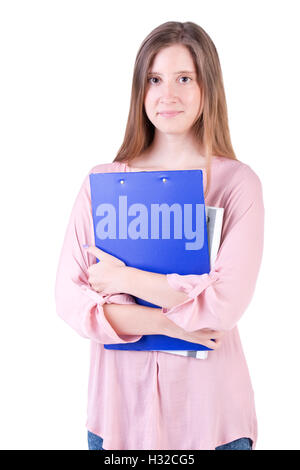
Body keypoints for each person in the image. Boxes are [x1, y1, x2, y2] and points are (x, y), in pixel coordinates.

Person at [54, 21, 264, 451]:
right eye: (154, 79)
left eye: (184, 78)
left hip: (211, 422)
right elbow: (72, 300)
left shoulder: (237, 184)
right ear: (140, 90)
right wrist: (176, 323)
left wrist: (123, 280)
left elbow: (222, 305)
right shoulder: (103, 182)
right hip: (117, 421)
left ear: (208, 87)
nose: (168, 95)